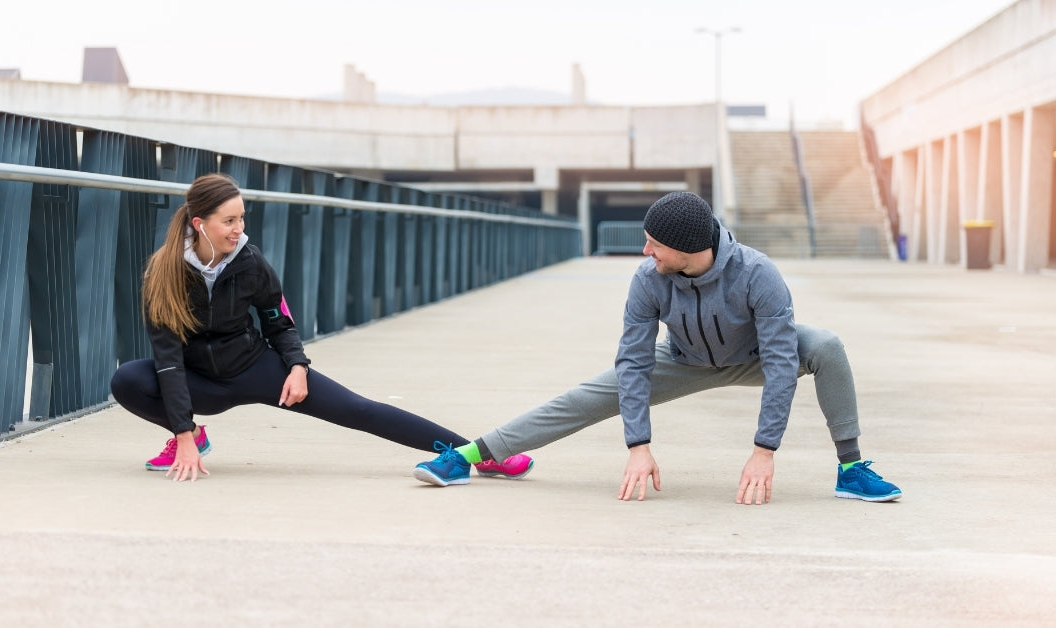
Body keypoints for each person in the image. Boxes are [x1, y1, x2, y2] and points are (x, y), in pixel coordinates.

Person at [413, 191, 901, 504]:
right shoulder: (649, 278)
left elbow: (778, 364)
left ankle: (852, 469)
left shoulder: (757, 274)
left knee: (825, 345)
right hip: (683, 359)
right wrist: (638, 446)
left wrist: (763, 450)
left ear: (689, 248)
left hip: (751, 356)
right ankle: (469, 455)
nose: (646, 252)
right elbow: (633, 360)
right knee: (586, 394)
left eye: (654, 244)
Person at [110, 173, 534, 482]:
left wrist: (296, 366)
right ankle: (194, 436)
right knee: (129, 379)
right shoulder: (163, 272)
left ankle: (478, 454)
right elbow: (167, 359)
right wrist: (184, 430)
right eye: (229, 221)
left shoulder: (251, 261)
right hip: (197, 377)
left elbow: (279, 321)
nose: (239, 230)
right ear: (199, 224)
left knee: (360, 410)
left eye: (242, 219)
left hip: (257, 368)